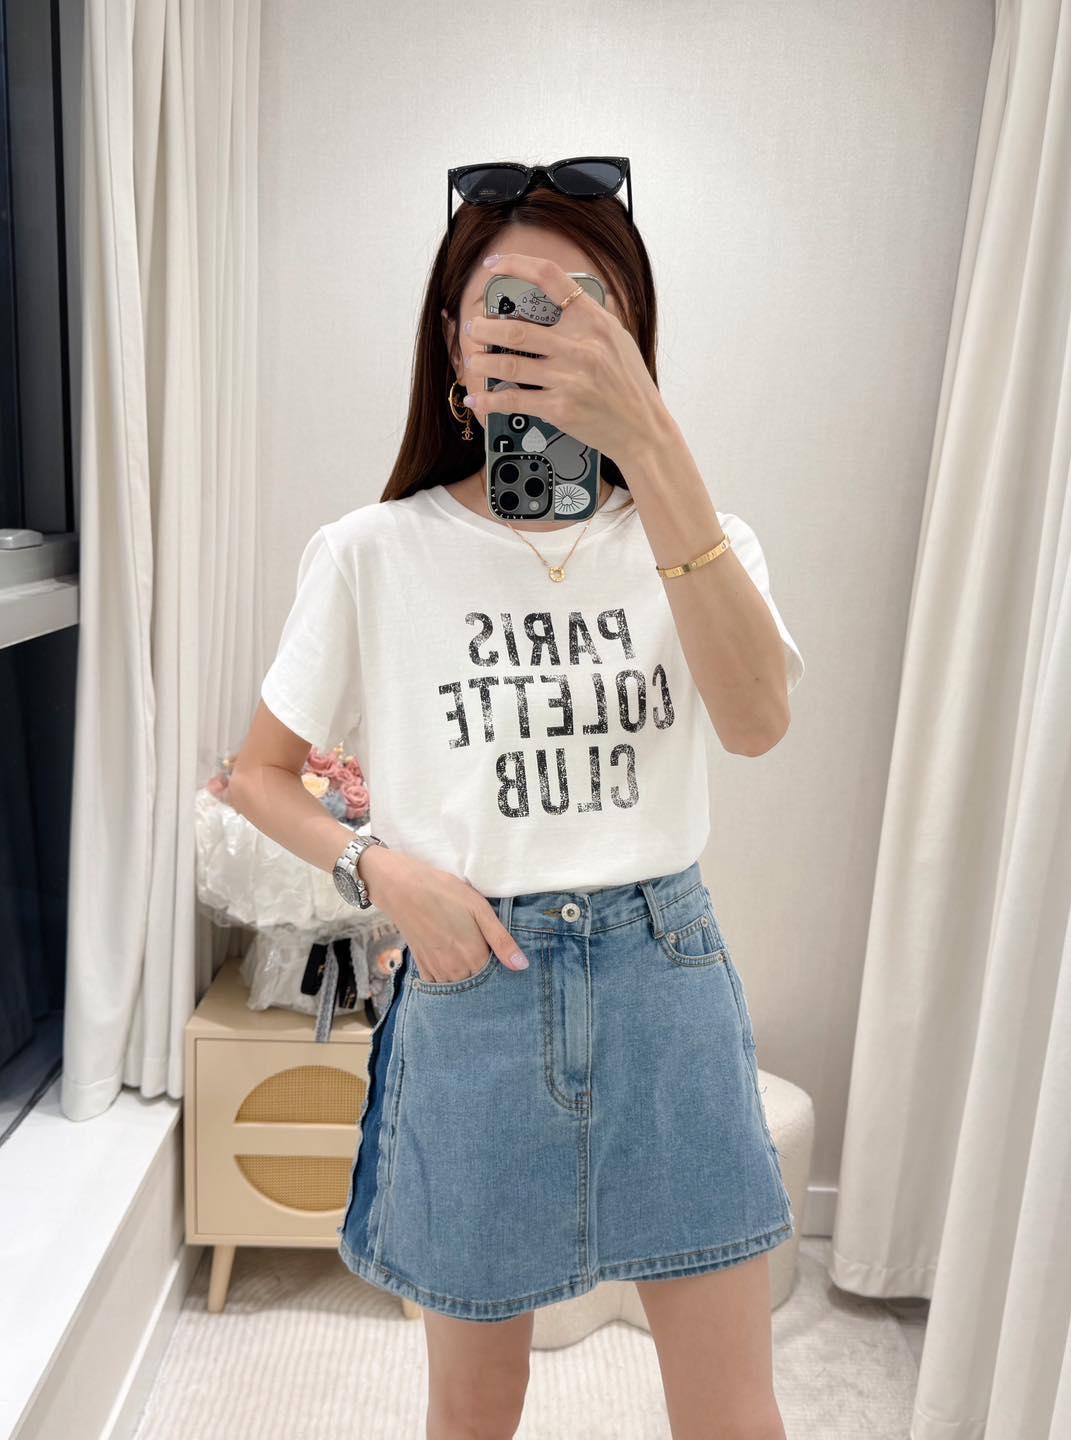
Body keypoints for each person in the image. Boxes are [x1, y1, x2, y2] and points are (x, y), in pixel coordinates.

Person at [231, 160, 804, 1440]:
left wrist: (653, 447)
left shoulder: (705, 540)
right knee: (475, 1406)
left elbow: (759, 723)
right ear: (455, 344)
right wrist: (384, 872)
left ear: (633, 336)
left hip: (664, 981)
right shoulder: (372, 552)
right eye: (512, 304)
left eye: (584, 303)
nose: (546, 331)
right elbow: (257, 774)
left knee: (734, 1414)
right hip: (473, 986)